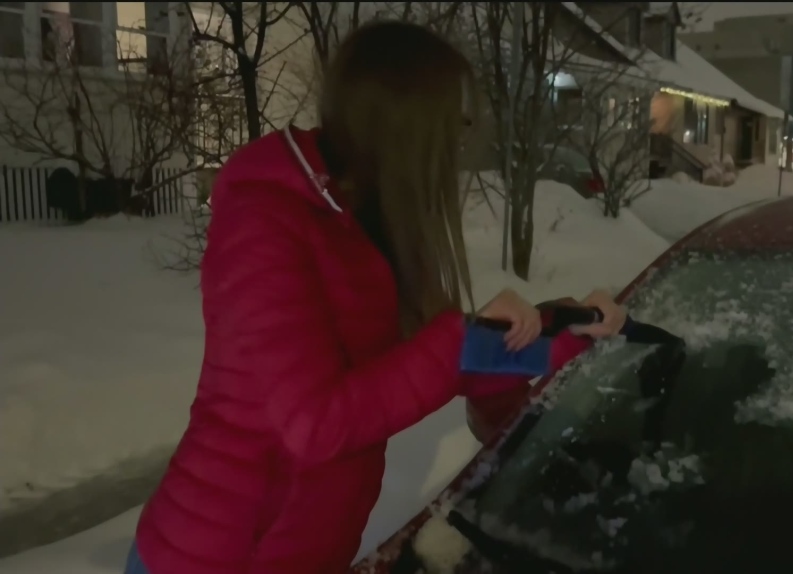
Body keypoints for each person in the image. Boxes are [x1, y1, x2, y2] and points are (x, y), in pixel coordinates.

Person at [127, 21, 627, 574]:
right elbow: (313, 424)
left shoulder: (361, 223)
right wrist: (459, 342)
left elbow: (437, 363)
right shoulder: (264, 224)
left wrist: (568, 329)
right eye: (453, 125)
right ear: (403, 126)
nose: (457, 147)